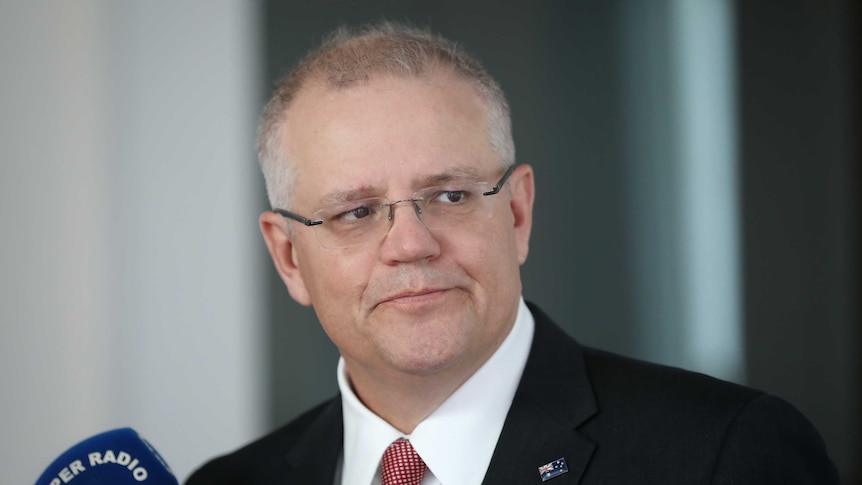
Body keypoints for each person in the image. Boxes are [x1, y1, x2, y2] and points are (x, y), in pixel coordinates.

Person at [187, 22, 838, 485]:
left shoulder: (725, 454)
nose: (411, 243)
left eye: (448, 195)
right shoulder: (229, 482)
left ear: (517, 212)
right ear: (290, 257)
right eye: (356, 212)